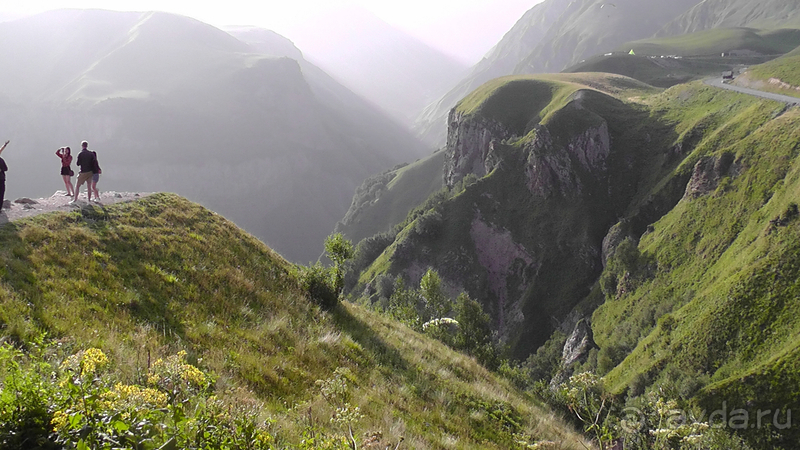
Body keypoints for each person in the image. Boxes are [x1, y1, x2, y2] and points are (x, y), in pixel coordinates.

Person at [0, 140, 8, 210]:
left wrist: (4, 145)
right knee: (1, 194)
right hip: (1, 179)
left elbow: (0, 150)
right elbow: (5, 169)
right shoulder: (1, 160)